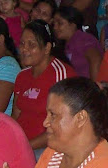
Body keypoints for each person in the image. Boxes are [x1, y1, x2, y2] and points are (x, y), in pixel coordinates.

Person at [13, 21, 77, 155]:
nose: (24, 49)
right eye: (22, 44)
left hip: (49, 148)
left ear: (47, 48)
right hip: (21, 144)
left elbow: (62, 127)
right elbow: (16, 114)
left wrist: (24, 147)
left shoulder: (61, 74)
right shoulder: (22, 76)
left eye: (32, 45)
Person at [52, 6, 102, 80]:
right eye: (54, 24)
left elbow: (96, 60)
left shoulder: (83, 39)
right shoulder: (65, 44)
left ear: (73, 25)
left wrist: (95, 88)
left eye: (60, 23)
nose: (55, 27)